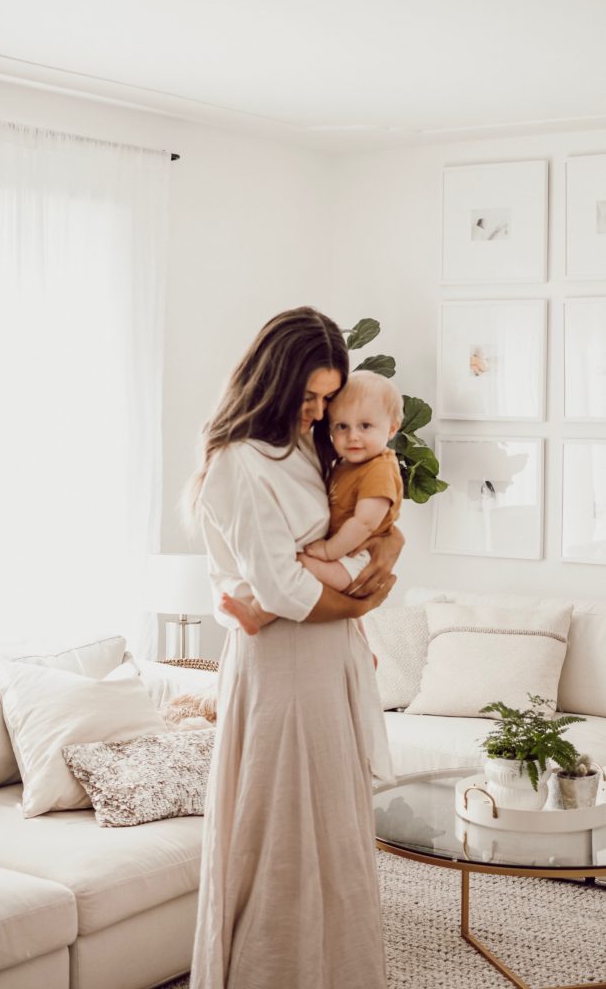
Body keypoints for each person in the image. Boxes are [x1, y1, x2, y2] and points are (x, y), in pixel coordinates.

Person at [189, 306, 403, 989]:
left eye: (325, 399)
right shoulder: (235, 463)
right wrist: (368, 599)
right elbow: (281, 588)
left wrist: (387, 544)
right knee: (281, 835)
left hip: (325, 654)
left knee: (336, 831)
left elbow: (353, 523)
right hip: (282, 667)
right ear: (271, 383)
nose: (317, 413)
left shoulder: (307, 446)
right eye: (307, 398)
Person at [221, 370, 403, 637]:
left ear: (391, 428)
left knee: (304, 567)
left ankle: (257, 614)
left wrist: (329, 551)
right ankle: (363, 645)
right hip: (347, 552)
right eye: (342, 426)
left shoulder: (379, 468)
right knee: (312, 578)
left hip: (356, 558)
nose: (352, 436)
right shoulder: (346, 463)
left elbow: (366, 522)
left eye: (365, 426)